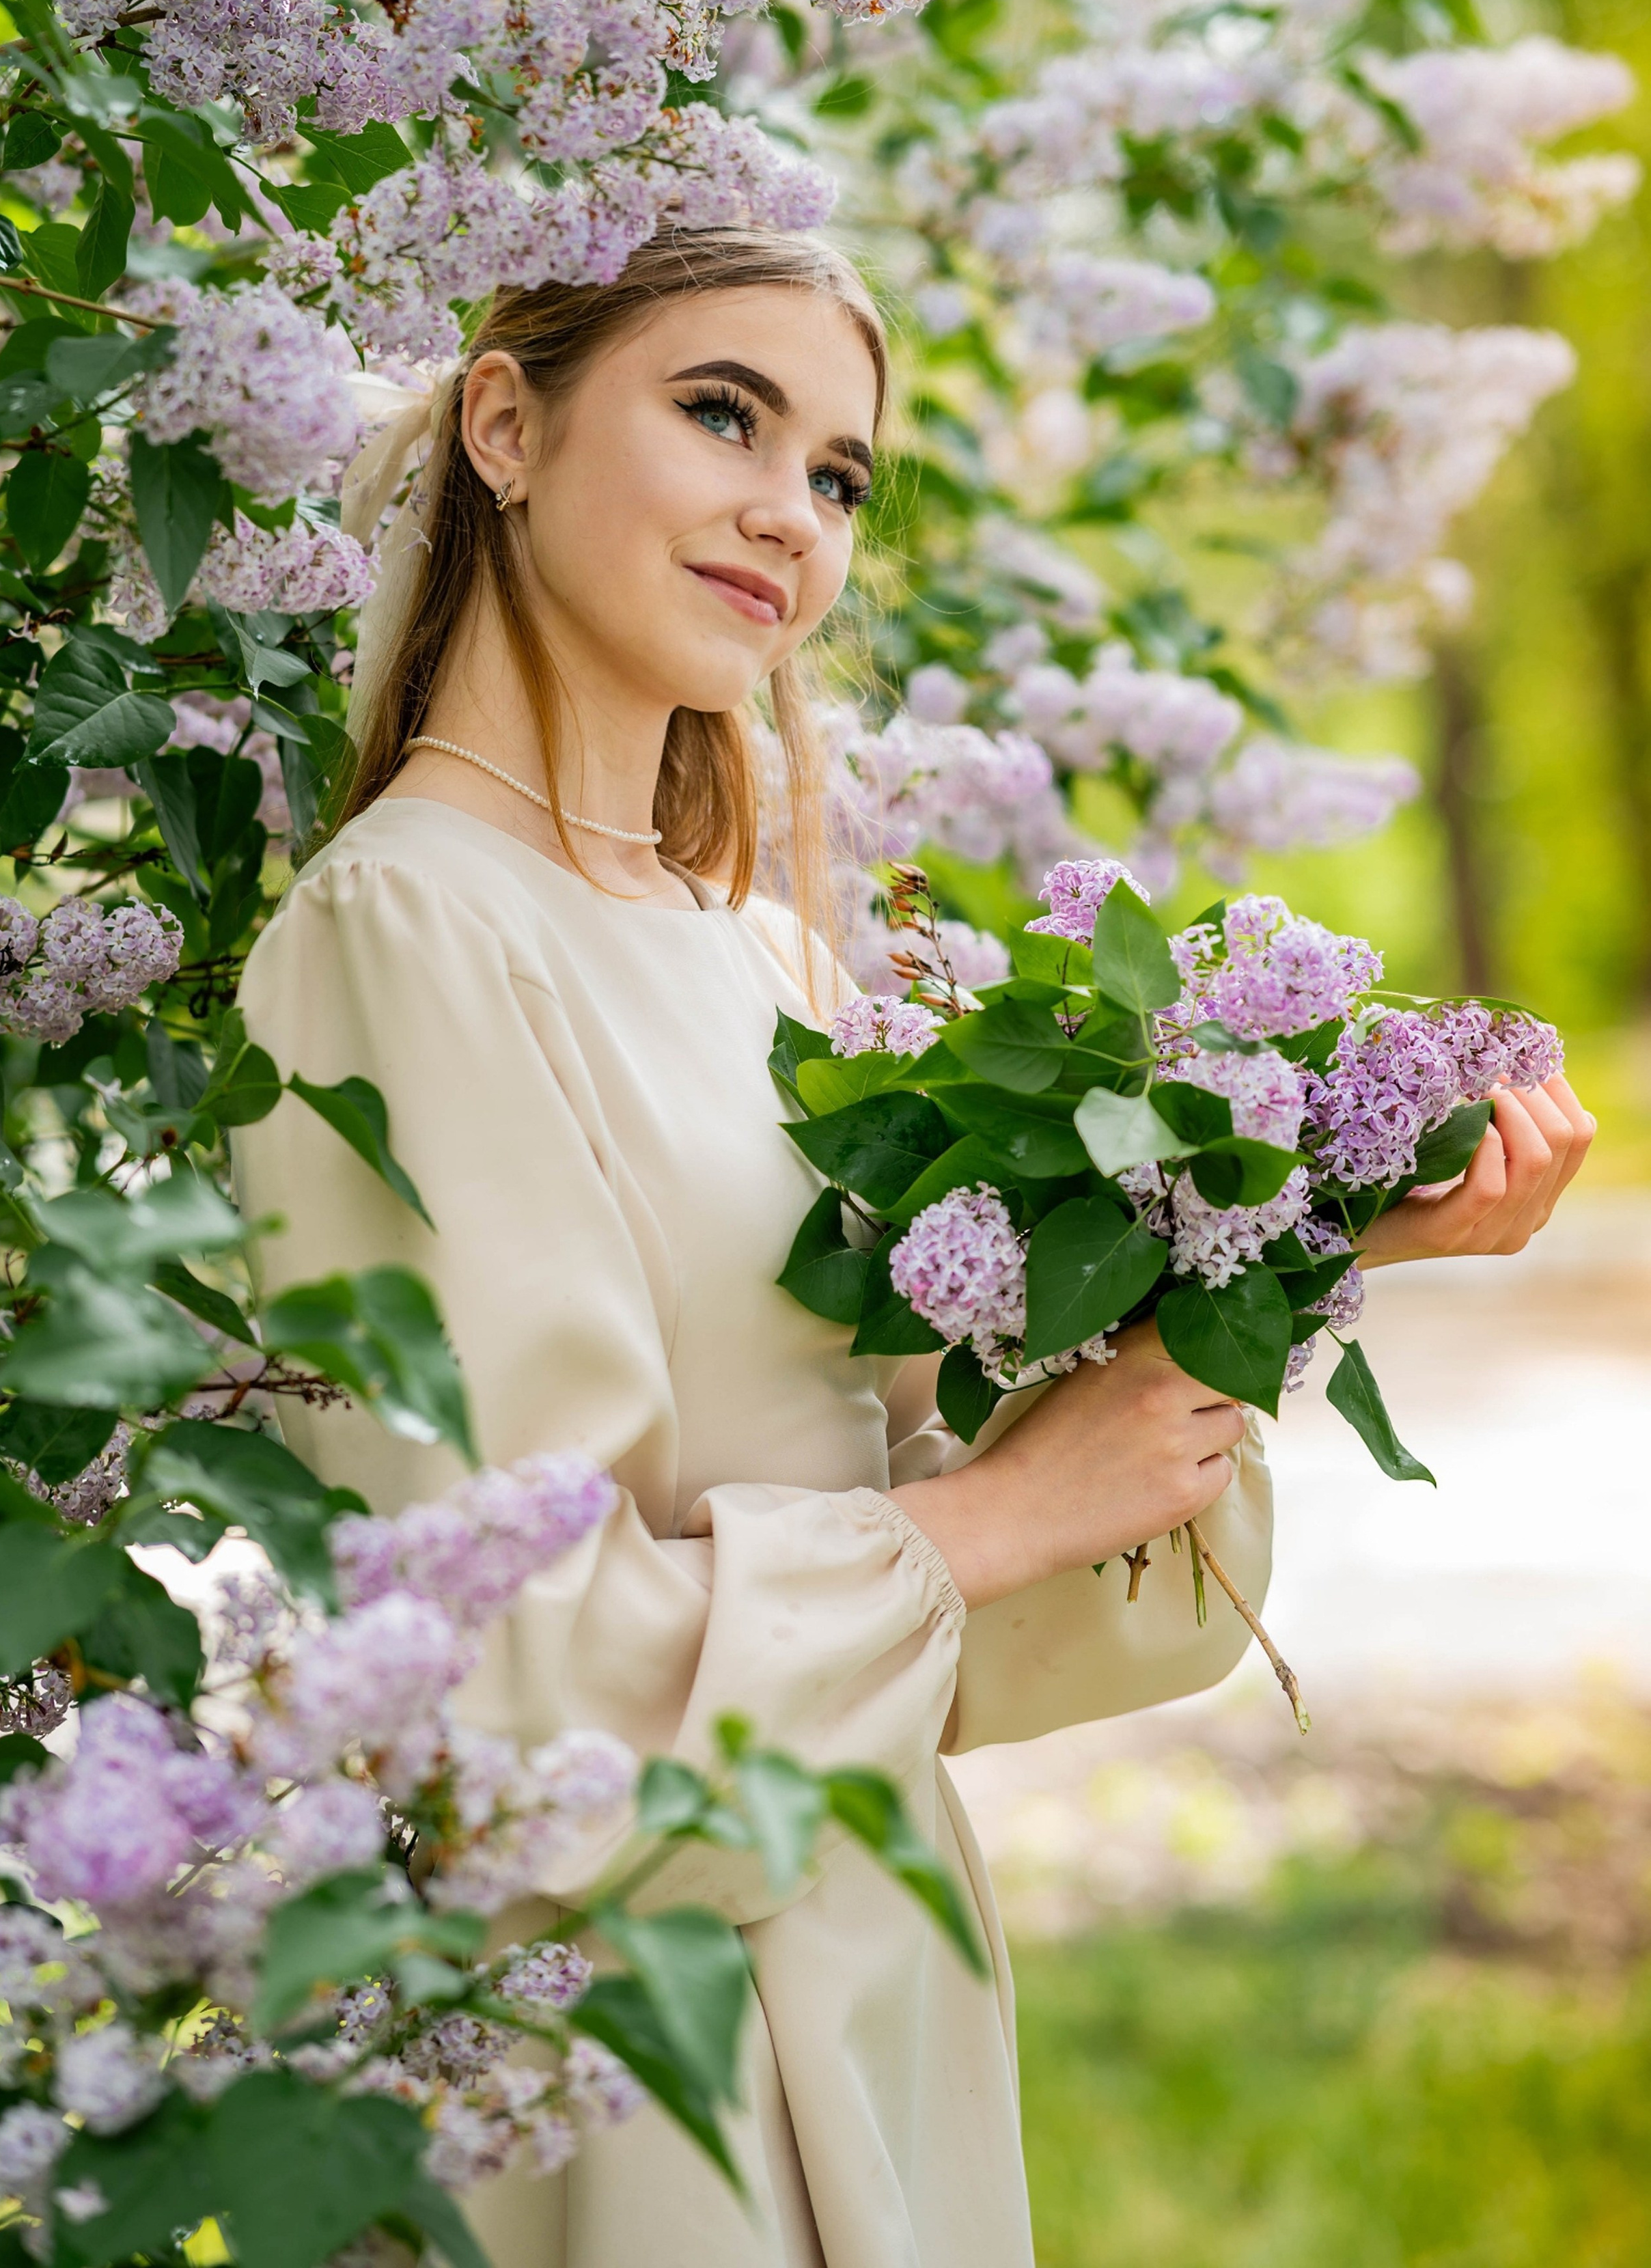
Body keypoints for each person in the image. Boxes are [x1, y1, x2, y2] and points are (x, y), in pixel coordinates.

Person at [234, 226, 1592, 2268]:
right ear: (505, 424)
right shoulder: (404, 925)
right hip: (621, 2058)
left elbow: (1005, 1547)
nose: (792, 510)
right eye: (723, 414)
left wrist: (1312, 1239)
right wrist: (988, 1522)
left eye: (843, 474)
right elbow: (499, 1694)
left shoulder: (767, 958)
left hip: (872, 1976)